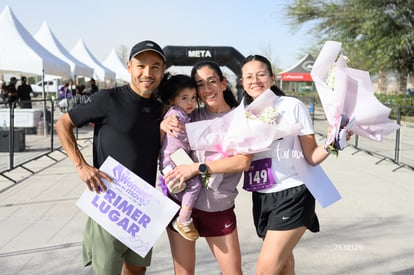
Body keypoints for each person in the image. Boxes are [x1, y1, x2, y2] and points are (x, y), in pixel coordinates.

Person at [56, 40, 166, 275]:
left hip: (143, 208)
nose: (148, 73)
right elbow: (63, 124)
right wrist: (81, 166)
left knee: (137, 272)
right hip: (110, 204)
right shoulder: (108, 99)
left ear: (162, 71)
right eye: (141, 66)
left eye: (155, 66)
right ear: (129, 67)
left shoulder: (160, 108)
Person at [239, 54, 352, 275]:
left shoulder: (291, 106)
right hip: (261, 196)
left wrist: (333, 143)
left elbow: (311, 155)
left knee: (265, 271)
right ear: (242, 82)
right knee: (284, 265)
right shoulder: (241, 115)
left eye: (261, 75)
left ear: (272, 78)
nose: (255, 81)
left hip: (293, 193)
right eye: (249, 76)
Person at [161, 60, 252, 275]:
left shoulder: (241, 118)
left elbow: (243, 161)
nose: (206, 89)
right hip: (181, 206)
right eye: (200, 84)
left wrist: (197, 168)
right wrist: (162, 125)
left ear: (223, 83)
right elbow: (166, 145)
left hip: (217, 209)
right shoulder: (189, 116)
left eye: (211, 81)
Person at [157, 73, 201, 242]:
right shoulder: (176, 115)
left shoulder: (180, 112)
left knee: (186, 184)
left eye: (193, 97)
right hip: (174, 159)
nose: (190, 102)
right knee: (194, 184)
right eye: (184, 98)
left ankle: (173, 188)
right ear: (172, 99)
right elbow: (183, 136)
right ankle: (183, 220)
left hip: (174, 158)